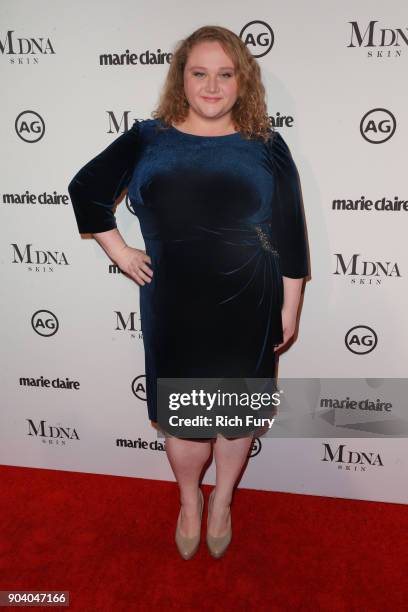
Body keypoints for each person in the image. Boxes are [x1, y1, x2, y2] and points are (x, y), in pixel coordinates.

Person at [68, 25, 309, 560]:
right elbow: (86, 190)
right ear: (182, 78)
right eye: (199, 73)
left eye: (225, 74)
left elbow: (290, 229)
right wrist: (121, 252)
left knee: (234, 417)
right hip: (174, 306)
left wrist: (290, 306)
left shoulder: (267, 145)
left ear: (242, 81)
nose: (212, 86)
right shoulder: (147, 138)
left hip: (250, 301)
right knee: (186, 421)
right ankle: (188, 501)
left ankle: (221, 500)